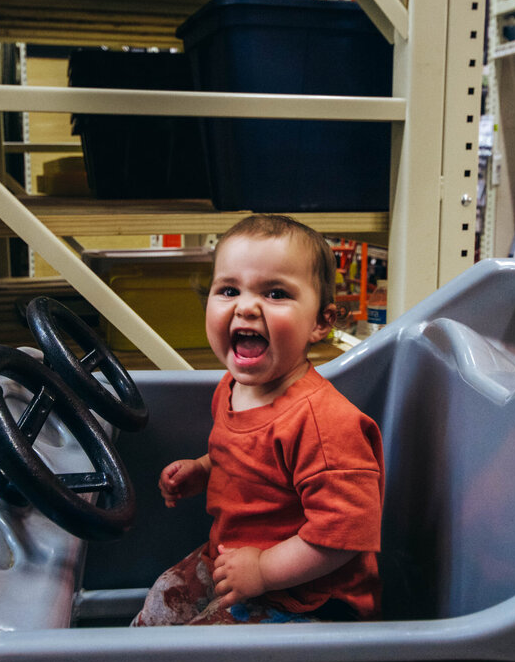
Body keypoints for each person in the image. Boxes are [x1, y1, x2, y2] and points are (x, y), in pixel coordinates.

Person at [132, 214, 384, 626]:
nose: (246, 306)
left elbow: (346, 535)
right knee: (164, 596)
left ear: (320, 322)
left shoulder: (324, 423)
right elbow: (248, 458)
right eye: (229, 289)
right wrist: (203, 469)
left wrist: (265, 570)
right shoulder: (232, 388)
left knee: (204, 655)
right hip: (237, 560)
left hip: (308, 598)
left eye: (275, 293)